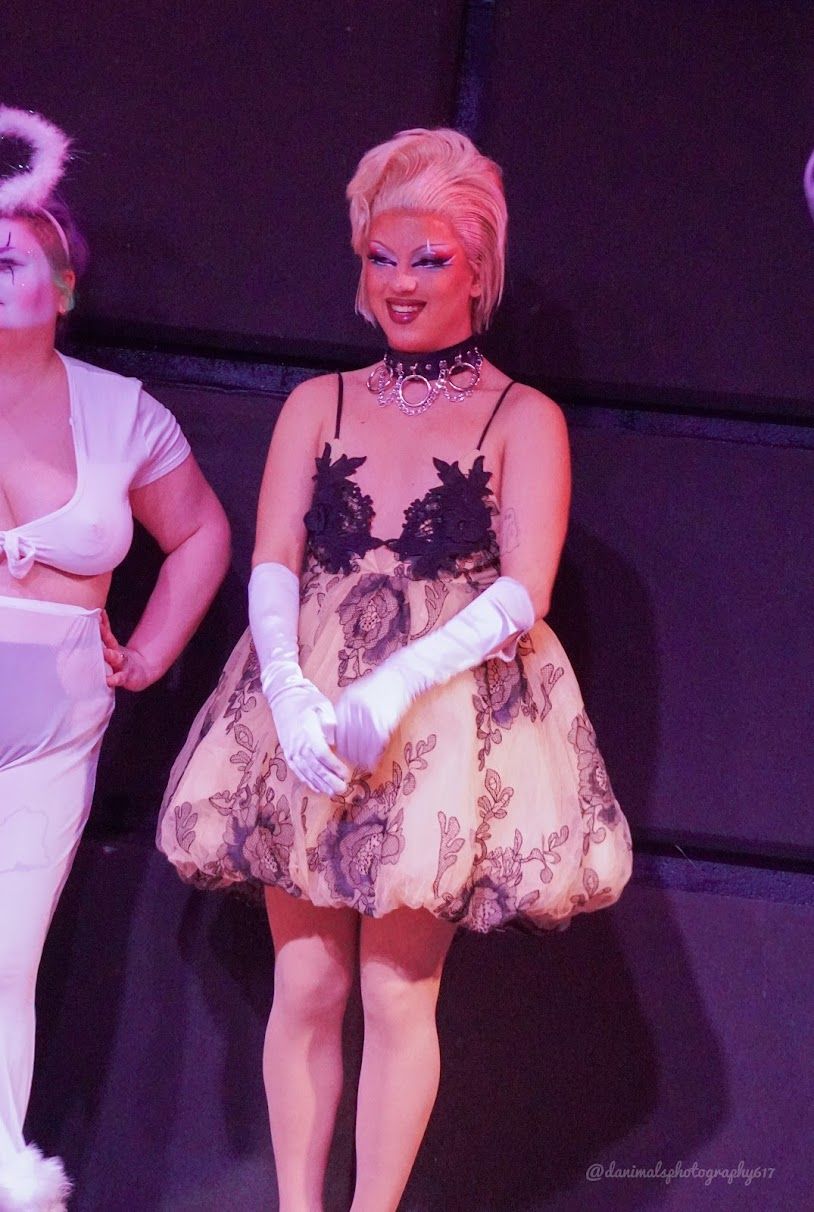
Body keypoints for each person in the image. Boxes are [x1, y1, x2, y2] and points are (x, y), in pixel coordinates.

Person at [158, 127, 632, 1212]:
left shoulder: (522, 416)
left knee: (395, 988)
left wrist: (395, 684)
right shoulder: (318, 401)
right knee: (306, 980)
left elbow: (522, 588)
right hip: (308, 697)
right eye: (382, 257)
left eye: (429, 258)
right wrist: (288, 686)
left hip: (441, 720)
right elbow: (273, 555)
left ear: (479, 267)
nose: (402, 282)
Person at [0, 106, 231, 1210]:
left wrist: (147, 651)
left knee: (5, 956)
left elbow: (201, 533)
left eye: (7, 258)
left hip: (52, 718)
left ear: (64, 286)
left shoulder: (121, 412)